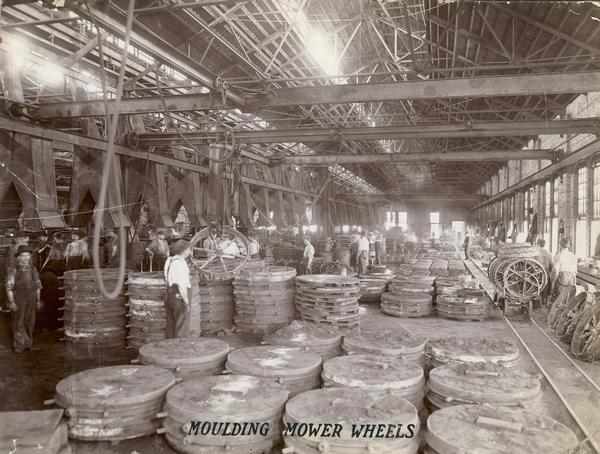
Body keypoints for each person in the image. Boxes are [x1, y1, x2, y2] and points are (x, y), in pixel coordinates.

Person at [6, 245, 42, 353]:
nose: (26, 258)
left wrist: (38, 300)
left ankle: (28, 343)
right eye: (23, 256)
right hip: (19, 299)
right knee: (19, 322)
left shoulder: (33, 269)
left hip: (32, 298)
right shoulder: (13, 270)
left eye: (28, 255)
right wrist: (12, 302)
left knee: (30, 322)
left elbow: (38, 285)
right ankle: (19, 345)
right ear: (18, 257)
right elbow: (9, 288)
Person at [163, 239, 192, 338]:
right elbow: (181, 286)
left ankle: (169, 350)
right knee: (181, 327)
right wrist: (186, 301)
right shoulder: (181, 264)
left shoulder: (169, 260)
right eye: (189, 249)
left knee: (170, 326)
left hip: (169, 296)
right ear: (184, 250)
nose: (190, 251)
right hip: (178, 297)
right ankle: (181, 350)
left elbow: (167, 278)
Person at [537, 239, 554, 306]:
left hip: (537, 271)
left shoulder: (536, 252)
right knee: (546, 286)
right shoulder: (548, 252)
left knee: (537, 285)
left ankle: (537, 301)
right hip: (546, 271)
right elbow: (552, 264)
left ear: (538, 244)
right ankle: (544, 301)